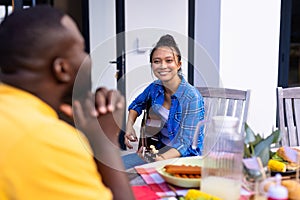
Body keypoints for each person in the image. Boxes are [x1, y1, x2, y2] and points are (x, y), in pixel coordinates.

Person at [0, 5, 134, 200]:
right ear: (62, 69)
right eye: (82, 49)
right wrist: (104, 142)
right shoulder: (43, 137)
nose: (88, 58)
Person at [124, 34, 205, 162]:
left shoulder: (192, 97)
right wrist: (129, 126)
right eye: (157, 61)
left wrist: (157, 158)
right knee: (116, 166)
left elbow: (186, 144)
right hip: (159, 152)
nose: (162, 66)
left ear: (178, 64)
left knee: (131, 176)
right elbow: (136, 105)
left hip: (184, 159)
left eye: (169, 60)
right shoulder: (155, 87)